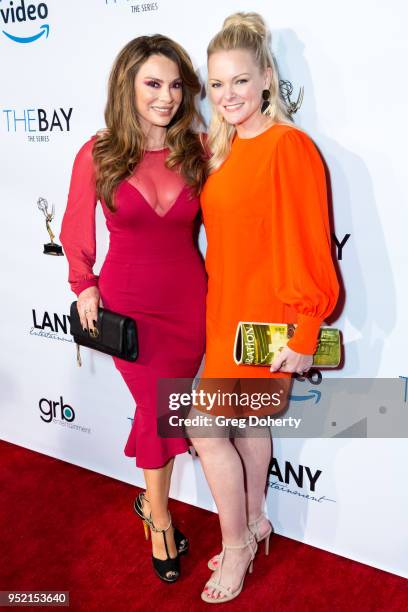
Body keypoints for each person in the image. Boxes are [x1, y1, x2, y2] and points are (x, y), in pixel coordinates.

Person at [190, 12, 340, 603]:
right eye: (218, 83)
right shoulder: (222, 152)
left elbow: (310, 241)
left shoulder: (289, 147)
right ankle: (254, 522)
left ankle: (238, 547)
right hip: (225, 318)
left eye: (241, 81)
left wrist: (306, 332)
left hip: (267, 327)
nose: (228, 95)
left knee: (206, 429)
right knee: (247, 428)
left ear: (267, 80)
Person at [59, 35, 208, 583]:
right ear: (128, 85)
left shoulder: (199, 149)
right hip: (130, 306)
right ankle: (161, 518)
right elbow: (77, 225)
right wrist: (84, 283)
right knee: (158, 407)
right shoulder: (98, 152)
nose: (166, 97)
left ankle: (151, 505)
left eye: (174, 85)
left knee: (165, 411)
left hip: (190, 303)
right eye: (153, 84)